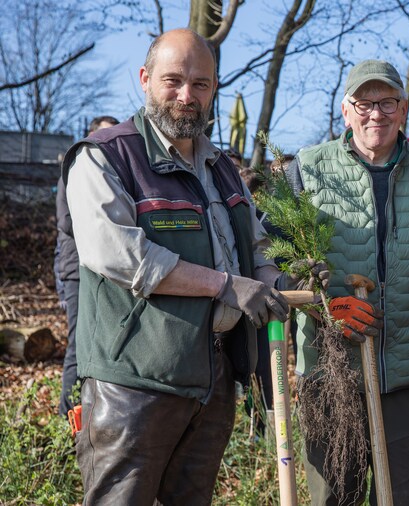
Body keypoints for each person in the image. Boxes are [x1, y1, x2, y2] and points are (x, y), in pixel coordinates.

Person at [63, 29, 295, 504]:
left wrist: (276, 279)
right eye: (173, 81)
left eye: (201, 84)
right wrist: (225, 286)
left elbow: (256, 244)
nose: (187, 95)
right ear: (145, 79)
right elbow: (121, 255)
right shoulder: (106, 157)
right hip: (134, 386)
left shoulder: (223, 168)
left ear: (214, 89)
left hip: (212, 381)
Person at [285, 59, 409, 505]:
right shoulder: (306, 171)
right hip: (331, 381)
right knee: (336, 499)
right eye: (364, 103)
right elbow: (274, 264)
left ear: (403, 108)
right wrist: (320, 306)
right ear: (345, 110)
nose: (376, 113)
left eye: (387, 101)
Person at [56, 115, 119, 417]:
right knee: (77, 347)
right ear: (90, 136)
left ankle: (93, 417)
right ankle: (66, 419)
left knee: (101, 347)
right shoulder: (75, 170)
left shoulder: (114, 174)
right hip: (77, 272)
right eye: (103, 135)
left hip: (107, 273)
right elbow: (67, 223)